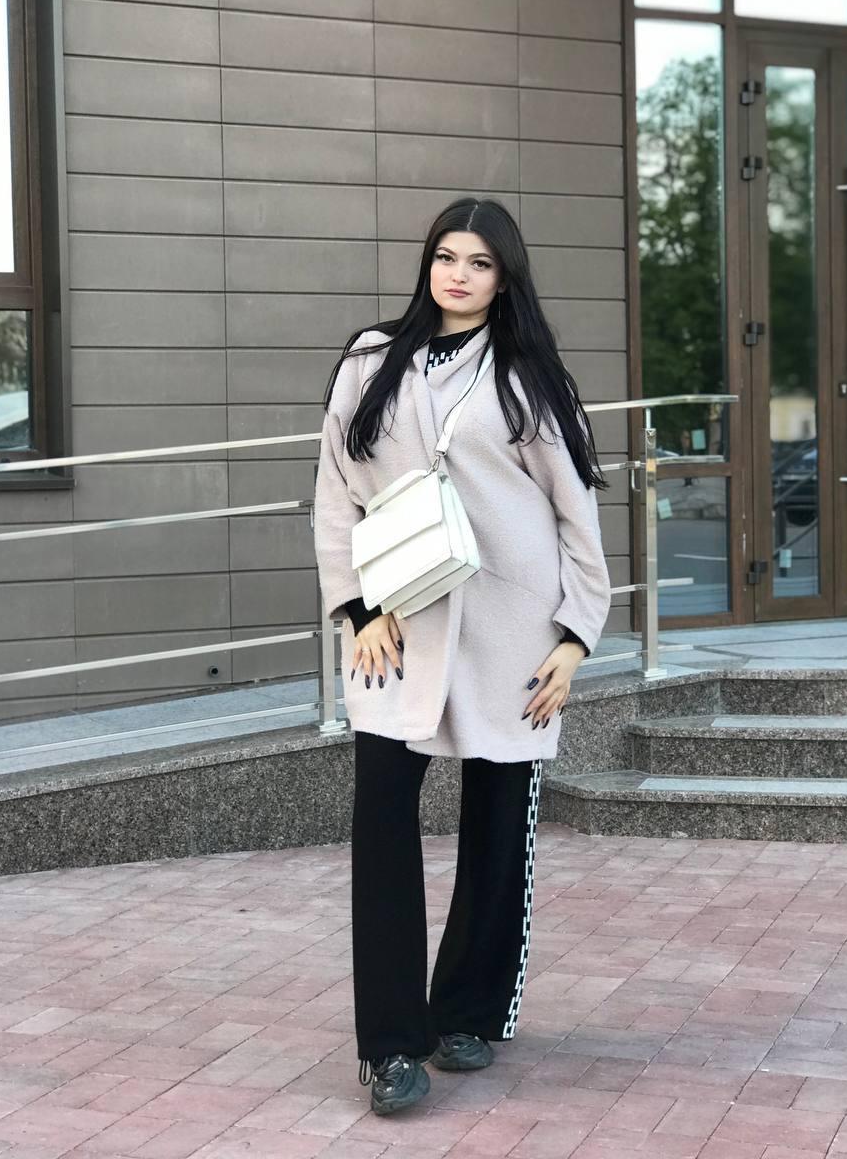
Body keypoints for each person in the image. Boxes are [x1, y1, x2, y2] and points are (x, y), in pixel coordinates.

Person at [313, 197, 612, 1115]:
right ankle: (391, 1046)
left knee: (498, 825)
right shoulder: (369, 362)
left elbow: (575, 513)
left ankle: (467, 1013)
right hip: (398, 628)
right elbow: (334, 493)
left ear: (504, 277)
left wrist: (575, 636)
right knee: (381, 826)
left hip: (512, 628)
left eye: (479, 263)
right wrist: (356, 609)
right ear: (428, 264)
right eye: (447, 256)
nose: (459, 275)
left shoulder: (531, 378)